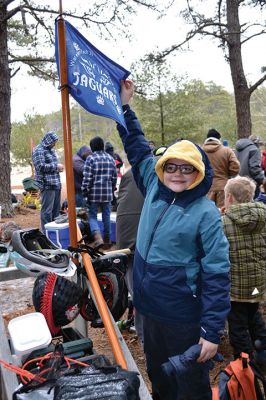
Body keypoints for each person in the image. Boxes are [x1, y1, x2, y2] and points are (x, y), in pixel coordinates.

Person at [116, 80, 230, 400]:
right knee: (159, 377)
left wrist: (210, 331)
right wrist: (124, 107)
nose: (178, 173)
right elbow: (136, 144)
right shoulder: (152, 183)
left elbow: (217, 274)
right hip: (149, 313)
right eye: (172, 166)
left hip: (184, 318)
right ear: (162, 167)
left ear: (198, 173)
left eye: (187, 168)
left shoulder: (205, 212)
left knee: (190, 386)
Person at [222, 176, 266, 362]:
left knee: (238, 324)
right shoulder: (263, 217)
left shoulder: (224, 223)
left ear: (230, 197)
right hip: (258, 283)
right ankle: (262, 348)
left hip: (236, 287)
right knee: (253, 312)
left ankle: (245, 363)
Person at [116, 167, 145, 342]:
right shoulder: (163, 172)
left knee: (135, 288)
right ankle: (145, 336)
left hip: (126, 238)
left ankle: (142, 333)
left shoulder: (129, 173)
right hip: (144, 239)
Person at [81, 136, 117, 249]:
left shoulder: (90, 159)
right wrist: (111, 189)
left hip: (93, 194)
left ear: (92, 148)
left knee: (92, 216)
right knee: (106, 216)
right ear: (102, 146)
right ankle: (107, 240)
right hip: (107, 194)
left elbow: (87, 179)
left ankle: (98, 238)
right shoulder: (110, 159)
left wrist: (84, 192)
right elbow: (114, 177)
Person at [32, 131, 64, 231]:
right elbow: (40, 166)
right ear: (48, 140)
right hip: (47, 184)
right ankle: (47, 235)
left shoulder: (51, 150)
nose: (54, 144)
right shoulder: (38, 150)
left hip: (56, 184)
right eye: (53, 142)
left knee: (56, 211)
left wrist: (58, 168)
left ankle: (55, 234)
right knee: (47, 212)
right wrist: (56, 167)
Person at [202, 128, 240, 208]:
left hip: (205, 187)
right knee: (223, 212)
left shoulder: (200, 151)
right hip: (223, 186)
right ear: (219, 139)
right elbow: (235, 167)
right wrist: (227, 175)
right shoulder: (227, 151)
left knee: (207, 212)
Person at [104, 141, 123, 211]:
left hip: (114, 176)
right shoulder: (114, 155)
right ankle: (115, 205)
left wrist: (118, 167)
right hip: (116, 176)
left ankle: (116, 205)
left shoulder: (114, 155)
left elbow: (121, 163)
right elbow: (121, 163)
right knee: (115, 191)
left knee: (114, 191)